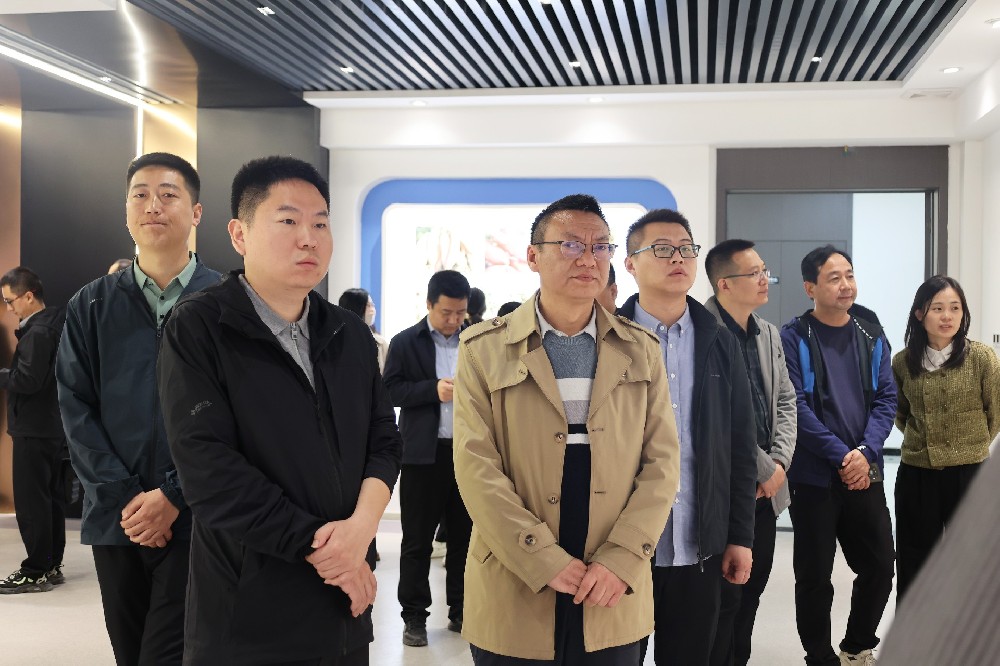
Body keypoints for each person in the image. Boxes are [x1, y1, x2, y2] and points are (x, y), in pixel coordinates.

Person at [157, 156, 402, 665]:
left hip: (344, 603)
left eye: (320, 224)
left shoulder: (350, 335)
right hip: (249, 612)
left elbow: (383, 441)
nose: (308, 239)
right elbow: (209, 470)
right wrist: (327, 549)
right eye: (288, 221)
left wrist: (359, 532)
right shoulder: (200, 327)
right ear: (239, 234)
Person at [454, 194, 680, 664]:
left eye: (600, 247)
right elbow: (476, 469)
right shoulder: (483, 348)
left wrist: (622, 558)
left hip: (611, 581)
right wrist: (541, 557)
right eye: (572, 245)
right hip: (514, 574)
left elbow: (662, 463)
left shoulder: (641, 349)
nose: (588, 259)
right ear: (533, 256)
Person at [56, 152, 222, 665]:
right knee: (129, 651)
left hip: (201, 516)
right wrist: (126, 498)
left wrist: (174, 493)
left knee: (175, 652)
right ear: (126, 210)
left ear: (196, 212)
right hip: (117, 519)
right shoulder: (91, 304)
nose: (153, 205)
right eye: (140, 195)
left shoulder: (226, 301)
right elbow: (75, 406)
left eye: (169, 194)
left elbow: (239, 414)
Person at [617, 209, 757, 666]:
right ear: (631, 264)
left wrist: (740, 536)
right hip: (620, 547)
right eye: (662, 249)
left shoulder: (719, 340)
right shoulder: (606, 337)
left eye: (685, 249)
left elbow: (739, 446)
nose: (678, 258)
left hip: (699, 545)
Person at [779, 245, 896, 666]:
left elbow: (886, 399)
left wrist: (865, 452)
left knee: (880, 566)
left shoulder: (871, 333)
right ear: (810, 287)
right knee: (814, 576)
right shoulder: (793, 337)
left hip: (864, 473)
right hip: (813, 478)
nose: (846, 285)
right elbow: (795, 406)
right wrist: (844, 457)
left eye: (849, 274)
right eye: (834, 278)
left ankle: (856, 646)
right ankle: (819, 656)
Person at [703, 240, 797, 666]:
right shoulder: (702, 332)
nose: (765, 279)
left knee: (752, 592)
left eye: (764, 271)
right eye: (754, 273)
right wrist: (763, 468)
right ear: (724, 283)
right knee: (721, 599)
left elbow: (786, 401)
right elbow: (719, 418)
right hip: (724, 488)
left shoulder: (768, 332)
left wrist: (779, 464)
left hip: (765, 492)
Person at [891, 275, 999, 600]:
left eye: (955, 308)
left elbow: (995, 413)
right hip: (916, 474)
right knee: (914, 561)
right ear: (920, 313)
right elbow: (901, 414)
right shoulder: (902, 362)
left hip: (970, 474)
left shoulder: (981, 358)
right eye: (937, 308)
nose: (947, 316)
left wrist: (970, 445)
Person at [383, 269, 473, 647]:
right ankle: (414, 617)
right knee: (417, 541)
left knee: (465, 541)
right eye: (446, 312)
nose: (453, 320)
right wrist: (432, 390)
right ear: (429, 305)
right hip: (423, 455)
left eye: (460, 313)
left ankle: (462, 610)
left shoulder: (476, 339)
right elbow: (390, 390)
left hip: (468, 455)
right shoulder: (407, 342)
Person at [0, 268, 67, 594]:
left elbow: (27, 380)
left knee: (32, 502)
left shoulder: (39, 333)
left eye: (10, 301)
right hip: (49, 427)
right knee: (49, 499)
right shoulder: (52, 325)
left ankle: (36, 569)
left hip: (33, 428)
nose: (9, 308)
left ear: (29, 296)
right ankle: (50, 564)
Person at [338, 287, 390, 371]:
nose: (372, 310)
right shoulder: (334, 342)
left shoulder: (381, 344)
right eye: (368, 306)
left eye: (372, 305)